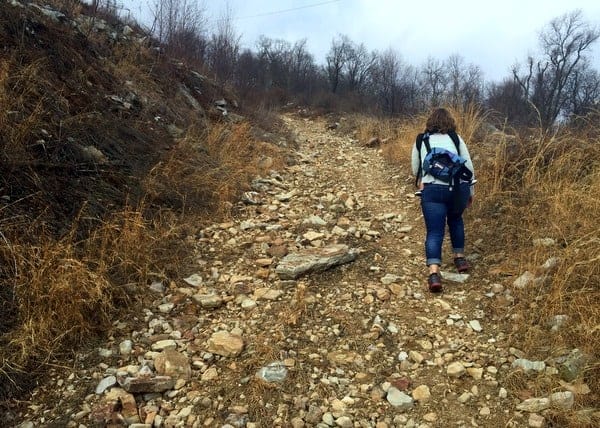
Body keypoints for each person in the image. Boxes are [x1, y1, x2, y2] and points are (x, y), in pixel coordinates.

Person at [411, 108, 475, 292]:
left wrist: (424, 182)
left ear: (430, 122)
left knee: (434, 231)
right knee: (456, 219)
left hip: (432, 190)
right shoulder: (456, 138)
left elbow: (415, 168)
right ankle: (459, 258)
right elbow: (468, 166)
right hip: (457, 188)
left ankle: (433, 274)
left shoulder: (421, 140)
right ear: (450, 122)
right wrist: (470, 191)